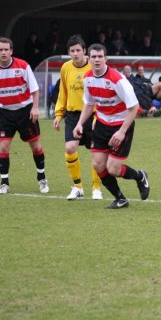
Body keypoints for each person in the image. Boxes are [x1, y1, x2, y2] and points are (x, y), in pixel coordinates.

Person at [73, 43, 150, 209]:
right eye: (93, 57)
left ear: (105, 59)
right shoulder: (88, 78)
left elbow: (134, 107)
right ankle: (120, 198)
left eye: (100, 56)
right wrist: (79, 123)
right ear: (89, 58)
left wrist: (122, 132)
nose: (97, 60)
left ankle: (140, 176)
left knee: (113, 168)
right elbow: (89, 104)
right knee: (98, 165)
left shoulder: (117, 80)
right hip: (101, 124)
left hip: (122, 124)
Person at [52, 35, 103, 200]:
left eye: (78, 50)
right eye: (72, 51)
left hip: (94, 115)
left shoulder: (94, 66)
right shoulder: (66, 68)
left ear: (84, 51)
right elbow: (63, 92)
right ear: (68, 52)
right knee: (70, 148)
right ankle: (78, 187)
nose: (75, 54)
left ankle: (96, 188)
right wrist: (59, 114)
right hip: (73, 114)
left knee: (96, 153)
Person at [0, 37, 49, 194]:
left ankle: (42, 178)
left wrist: (35, 108)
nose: (3, 52)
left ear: (11, 51)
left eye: (6, 49)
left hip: (25, 111)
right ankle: (4, 183)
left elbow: (34, 89)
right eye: (0, 50)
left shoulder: (23, 66)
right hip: (4, 112)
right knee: (3, 147)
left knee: (35, 146)